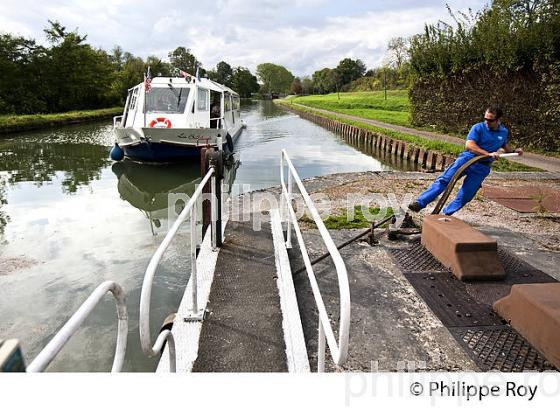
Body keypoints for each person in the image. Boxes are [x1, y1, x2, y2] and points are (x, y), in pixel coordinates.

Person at [408, 106, 523, 215]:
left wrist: (514, 150)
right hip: (467, 159)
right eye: (485, 119)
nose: (487, 122)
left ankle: (445, 214)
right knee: (444, 180)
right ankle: (420, 203)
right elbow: (469, 145)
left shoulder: (503, 132)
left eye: (490, 120)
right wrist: (488, 154)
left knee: (467, 193)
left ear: (498, 120)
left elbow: (504, 145)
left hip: (482, 166)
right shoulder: (478, 128)